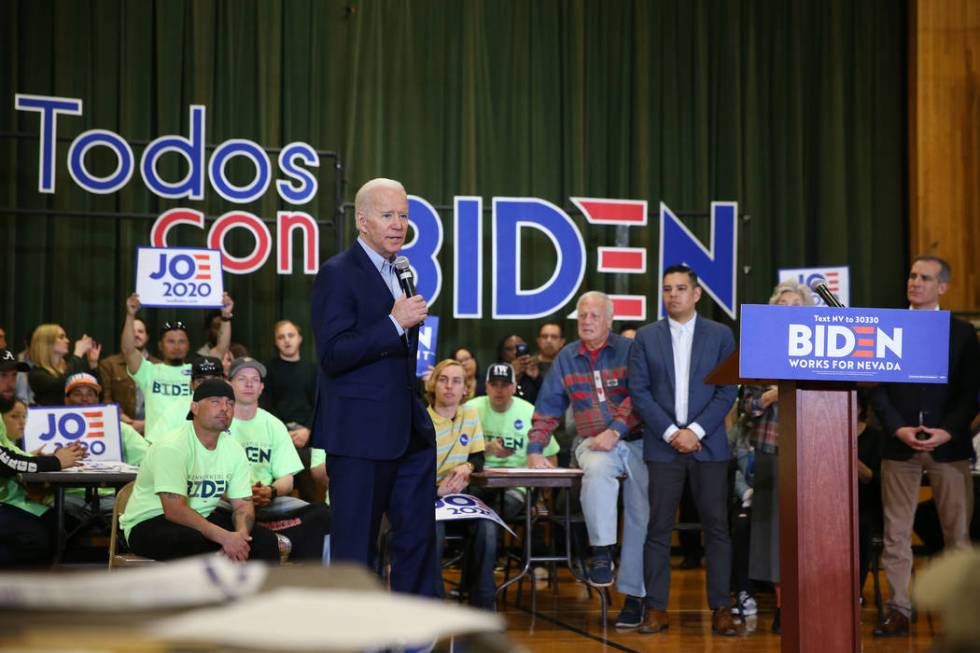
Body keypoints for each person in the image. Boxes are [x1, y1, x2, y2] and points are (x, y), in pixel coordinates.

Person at [310, 177, 437, 596]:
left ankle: (417, 627)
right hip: (360, 436)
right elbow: (332, 354)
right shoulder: (337, 274)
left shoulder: (402, 271)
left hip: (409, 433)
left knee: (418, 539)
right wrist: (393, 323)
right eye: (388, 215)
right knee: (356, 548)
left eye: (403, 215)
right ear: (362, 221)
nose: (399, 224)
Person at [870, 256, 980, 637]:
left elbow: (971, 394)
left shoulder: (963, 333)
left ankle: (961, 615)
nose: (915, 282)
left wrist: (946, 431)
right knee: (896, 533)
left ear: (943, 287)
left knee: (957, 536)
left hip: (949, 447)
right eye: (912, 275)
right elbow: (877, 387)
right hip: (899, 446)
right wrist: (898, 428)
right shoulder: (889, 327)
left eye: (925, 278)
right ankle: (900, 608)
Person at [629, 264, 739, 636]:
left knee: (717, 529)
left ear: (696, 294)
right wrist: (671, 432)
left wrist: (694, 430)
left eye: (680, 288)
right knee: (658, 528)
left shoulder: (721, 335)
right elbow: (639, 392)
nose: (672, 294)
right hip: (663, 448)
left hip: (709, 446)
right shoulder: (645, 337)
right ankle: (656, 609)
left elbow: (728, 390)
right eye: (666, 289)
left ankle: (722, 607)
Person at [527, 291, 648, 629]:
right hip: (592, 442)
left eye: (594, 315)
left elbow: (640, 395)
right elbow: (548, 406)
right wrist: (536, 448)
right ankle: (602, 552)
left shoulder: (629, 350)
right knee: (594, 469)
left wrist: (617, 429)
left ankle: (635, 597)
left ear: (609, 320)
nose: (587, 321)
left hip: (638, 442)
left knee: (642, 513)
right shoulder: (567, 357)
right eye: (582, 315)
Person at [120, 378, 280, 562]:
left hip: (202, 518)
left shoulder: (234, 449)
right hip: (149, 521)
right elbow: (174, 510)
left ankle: (258, 591)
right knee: (192, 542)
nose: (224, 408)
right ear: (194, 408)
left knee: (265, 541)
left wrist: (240, 537)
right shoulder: (172, 446)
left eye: (230, 403)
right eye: (215, 402)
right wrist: (223, 537)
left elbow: (243, 504)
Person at [742, 279, 815, 632]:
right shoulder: (761, 348)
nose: (788, 311)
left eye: (795, 306)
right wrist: (771, 395)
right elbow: (749, 406)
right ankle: (784, 606)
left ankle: (810, 601)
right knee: (774, 534)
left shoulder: (822, 349)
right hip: (772, 450)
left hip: (815, 453)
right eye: (782, 306)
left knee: (811, 531)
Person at [226, 357, 331, 562]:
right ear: (229, 384)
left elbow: (287, 479)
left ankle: (313, 582)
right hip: (227, 501)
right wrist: (241, 495)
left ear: (261, 387)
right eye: (242, 378)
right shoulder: (220, 422)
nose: (249, 384)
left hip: (268, 500)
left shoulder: (274, 425)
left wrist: (270, 490)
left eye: (254, 379)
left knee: (322, 514)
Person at [1, 348, 87, 567]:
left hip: (8, 500)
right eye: (3, 376)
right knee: (36, 540)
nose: (10, 383)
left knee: (59, 527)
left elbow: (9, 452)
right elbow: (6, 462)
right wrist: (56, 461)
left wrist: (36, 458)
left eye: (13, 375)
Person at [424, 358, 497, 609]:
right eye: (443, 380)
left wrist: (468, 466)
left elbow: (477, 455)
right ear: (433, 385)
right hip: (427, 496)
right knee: (433, 530)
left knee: (487, 528)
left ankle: (483, 608)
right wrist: (436, 490)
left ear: (466, 388)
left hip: (459, 499)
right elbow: (408, 474)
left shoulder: (470, 414)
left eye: (457, 381)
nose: (449, 387)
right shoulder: (422, 420)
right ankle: (435, 605)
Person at [120, 292, 233, 439]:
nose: (177, 346)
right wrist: (130, 315)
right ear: (160, 345)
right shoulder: (149, 370)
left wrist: (226, 317)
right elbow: (128, 350)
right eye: (171, 341)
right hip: (156, 444)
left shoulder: (198, 371)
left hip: (191, 444)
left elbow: (220, 350)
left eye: (181, 341)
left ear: (188, 345)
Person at [466, 362, 559, 520]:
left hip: (517, 486)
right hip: (478, 482)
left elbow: (551, 457)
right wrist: (487, 448)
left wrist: (541, 496)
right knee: (474, 511)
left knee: (493, 514)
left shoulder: (529, 411)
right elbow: (456, 451)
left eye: (505, 384)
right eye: (494, 384)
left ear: (514, 387)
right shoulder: (470, 409)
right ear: (486, 386)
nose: (499, 390)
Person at [262, 320, 325, 502]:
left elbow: (319, 405)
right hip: (279, 436)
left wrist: (308, 430)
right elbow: (267, 405)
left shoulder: (313, 370)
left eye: (291, 335)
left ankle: (309, 519)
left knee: (310, 468)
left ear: (300, 339)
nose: (286, 340)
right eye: (281, 337)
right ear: (275, 342)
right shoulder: (268, 370)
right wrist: (283, 433)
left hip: (307, 436)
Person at [99, 317, 159, 434]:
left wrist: (147, 424)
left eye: (141, 331)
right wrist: (128, 422)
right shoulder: (109, 364)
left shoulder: (159, 366)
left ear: (147, 337)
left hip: (154, 429)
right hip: (120, 428)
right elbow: (106, 399)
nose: (136, 335)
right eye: (132, 331)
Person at [146, 356, 225, 443]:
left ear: (224, 381)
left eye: (214, 379)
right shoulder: (177, 409)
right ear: (192, 385)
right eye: (201, 381)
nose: (208, 386)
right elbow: (153, 444)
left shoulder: (234, 406)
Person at [27, 323, 101, 405]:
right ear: (47, 343)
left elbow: (98, 393)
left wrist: (93, 364)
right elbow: (60, 384)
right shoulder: (37, 374)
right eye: (61, 337)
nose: (67, 341)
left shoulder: (70, 367)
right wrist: (78, 353)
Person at [497, 334, 540, 403]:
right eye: (509, 349)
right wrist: (511, 375)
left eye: (519, 348)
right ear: (502, 353)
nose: (515, 352)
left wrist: (537, 378)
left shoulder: (534, 372)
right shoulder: (494, 374)